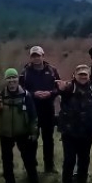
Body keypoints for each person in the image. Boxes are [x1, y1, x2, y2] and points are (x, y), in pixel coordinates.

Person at [0, 69, 41, 183]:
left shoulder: (25, 95)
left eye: (14, 77)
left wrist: (33, 132)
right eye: (9, 78)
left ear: (18, 79)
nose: (11, 80)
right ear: (6, 80)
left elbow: (33, 115)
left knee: (29, 160)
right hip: (5, 133)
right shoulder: (0, 95)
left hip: (23, 132)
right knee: (7, 160)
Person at [56, 65, 92, 183]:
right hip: (69, 133)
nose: (83, 76)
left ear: (89, 76)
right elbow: (61, 93)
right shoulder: (69, 88)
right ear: (75, 75)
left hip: (86, 133)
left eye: (85, 74)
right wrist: (60, 89)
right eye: (80, 74)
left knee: (84, 161)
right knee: (69, 161)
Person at [20, 46, 60, 174]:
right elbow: (21, 90)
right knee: (32, 138)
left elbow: (58, 88)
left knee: (48, 139)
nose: (36, 58)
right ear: (30, 57)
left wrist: (50, 93)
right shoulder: (25, 72)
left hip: (48, 108)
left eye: (38, 55)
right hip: (32, 109)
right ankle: (31, 165)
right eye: (33, 56)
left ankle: (49, 166)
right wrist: (33, 94)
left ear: (43, 55)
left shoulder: (52, 70)